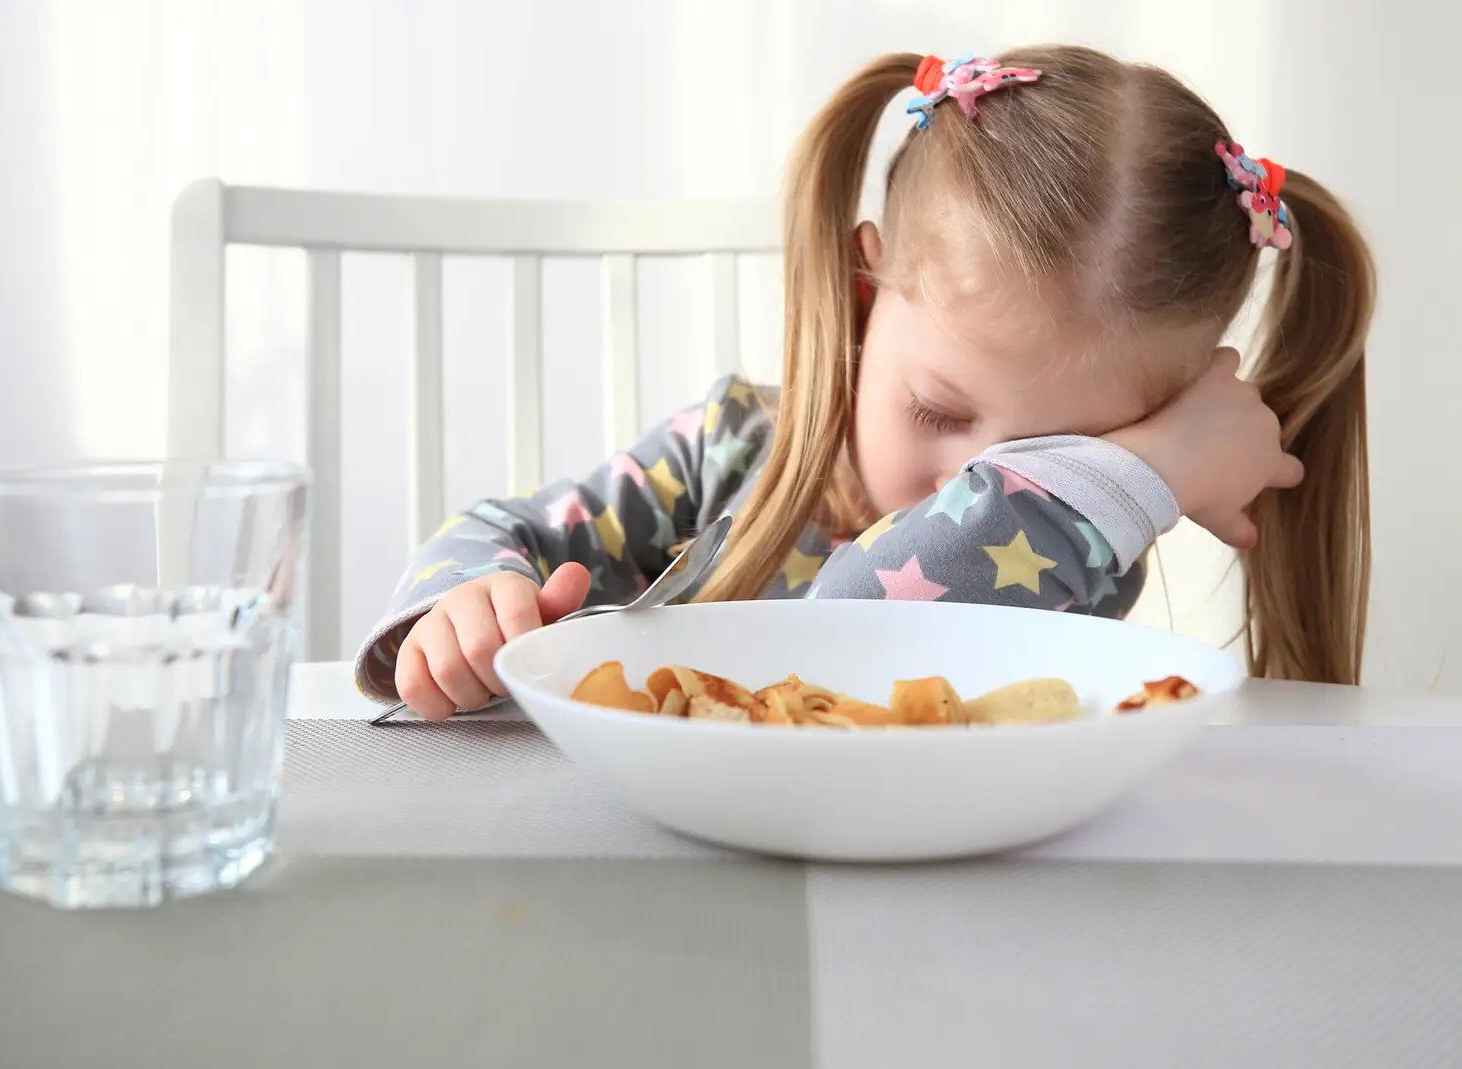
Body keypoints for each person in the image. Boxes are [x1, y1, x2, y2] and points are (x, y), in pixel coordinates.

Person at [356, 45, 1374, 720]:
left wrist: (1128, 479)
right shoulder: (728, 449)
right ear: (858, 296)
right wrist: (466, 605)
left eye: (1061, 460)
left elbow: (857, 627)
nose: (967, 484)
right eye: (936, 409)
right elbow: (505, 529)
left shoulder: (1074, 541)